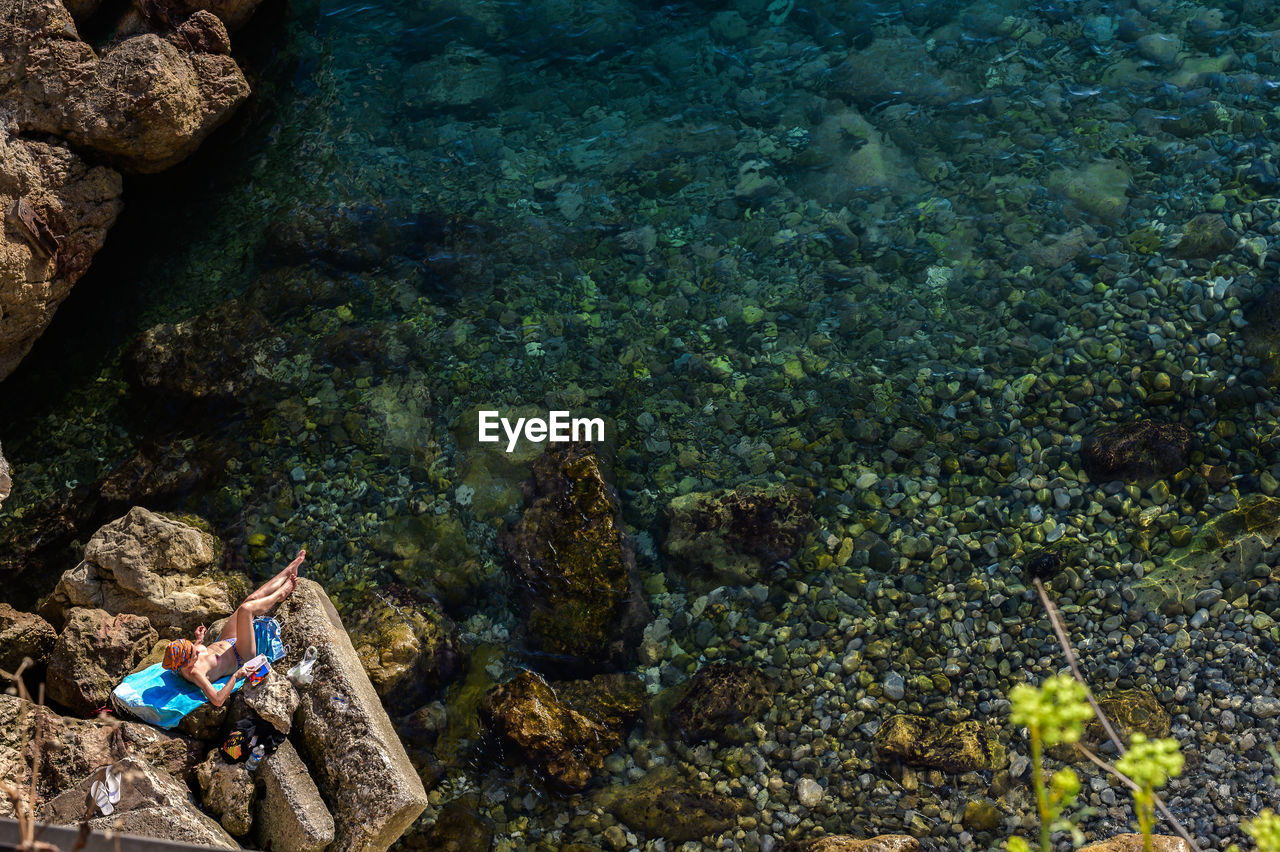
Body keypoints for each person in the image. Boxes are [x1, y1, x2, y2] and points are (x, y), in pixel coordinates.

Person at [162, 549, 305, 707]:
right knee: (246, 610)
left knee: (249, 599)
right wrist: (236, 677)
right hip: (241, 655)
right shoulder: (195, 673)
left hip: (225, 641)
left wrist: (198, 640)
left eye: (191, 647)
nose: (196, 650)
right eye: (193, 653)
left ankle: (288, 571)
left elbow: (193, 651)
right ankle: (280, 594)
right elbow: (217, 700)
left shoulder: (186, 656)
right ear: (186, 664)